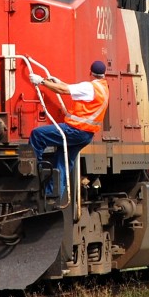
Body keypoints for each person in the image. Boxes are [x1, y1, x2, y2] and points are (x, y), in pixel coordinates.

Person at [28, 60, 110, 198]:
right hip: (86, 135)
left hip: (75, 130)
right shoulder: (103, 88)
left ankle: (32, 173)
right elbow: (70, 88)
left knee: (37, 135)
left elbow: (63, 90)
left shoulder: (90, 87)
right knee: (63, 161)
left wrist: (41, 81)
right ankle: (53, 196)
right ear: (104, 74)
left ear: (90, 72)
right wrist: (57, 81)